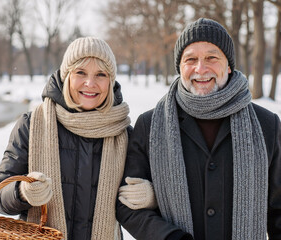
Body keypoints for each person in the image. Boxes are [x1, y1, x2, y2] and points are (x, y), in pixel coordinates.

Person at [116, 18, 281, 240]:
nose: (200, 69)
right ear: (180, 67)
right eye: (190, 59)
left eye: (211, 57)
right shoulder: (150, 125)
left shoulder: (266, 125)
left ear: (229, 65)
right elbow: (127, 205)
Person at [0, 37, 150, 240]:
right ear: (66, 76)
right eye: (80, 73)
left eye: (101, 74)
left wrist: (149, 197)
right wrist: (22, 192)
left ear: (110, 81)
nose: (90, 83)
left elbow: (132, 204)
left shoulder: (125, 134)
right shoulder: (32, 124)